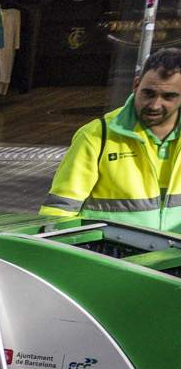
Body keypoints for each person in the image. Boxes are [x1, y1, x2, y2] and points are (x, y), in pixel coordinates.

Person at [44, 46, 181, 233]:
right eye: (148, 93)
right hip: (107, 257)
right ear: (136, 85)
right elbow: (60, 209)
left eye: (168, 97)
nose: (155, 105)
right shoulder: (96, 136)